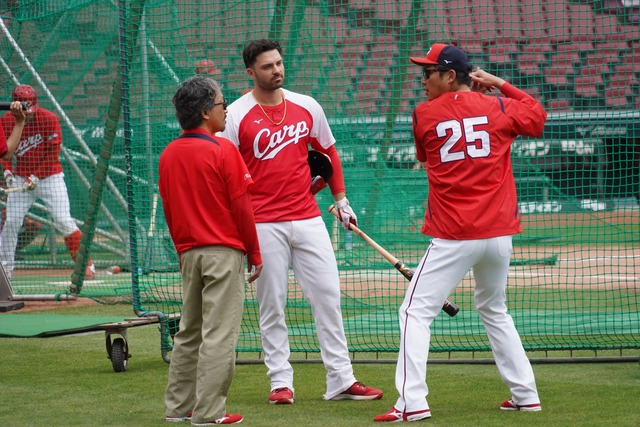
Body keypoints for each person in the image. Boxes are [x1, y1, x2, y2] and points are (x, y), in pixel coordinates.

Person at [374, 43, 547, 422]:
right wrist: (499, 85)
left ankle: (411, 403)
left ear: (450, 75)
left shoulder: (423, 114)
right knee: (495, 310)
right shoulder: (499, 106)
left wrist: (471, 103)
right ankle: (525, 395)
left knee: (414, 312)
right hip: (499, 234)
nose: (423, 80)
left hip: (455, 233)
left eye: (429, 72)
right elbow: (537, 117)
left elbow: (424, 155)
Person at [218, 39, 383, 404]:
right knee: (271, 304)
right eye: (266, 66)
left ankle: (341, 380)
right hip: (262, 222)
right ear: (250, 72)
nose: (276, 70)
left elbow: (327, 152)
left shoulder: (307, 105)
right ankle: (280, 382)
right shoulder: (236, 115)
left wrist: (341, 200)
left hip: (308, 217)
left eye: (278, 63)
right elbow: (224, 171)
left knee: (328, 298)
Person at [160, 75, 262, 426]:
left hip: (189, 254)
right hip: (224, 253)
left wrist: (181, 252)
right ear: (206, 112)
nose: (227, 110)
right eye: (221, 103)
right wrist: (255, 252)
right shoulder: (224, 150)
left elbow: (171, 210)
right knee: (219, 335)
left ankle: (177, 408)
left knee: (189, 331)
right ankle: (208, 413)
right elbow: (242, 207)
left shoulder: (169, 153)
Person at [0, 85, 96, 280]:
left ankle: (85, 266)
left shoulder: (48, 118)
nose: (28, 116)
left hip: (50, 176)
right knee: (11, 222)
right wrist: (8, 173)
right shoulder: (7, 120)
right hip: (21, 178)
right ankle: (5, 272)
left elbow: (53, 154)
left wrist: (35, 177)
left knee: (62, 219)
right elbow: (5, 152)